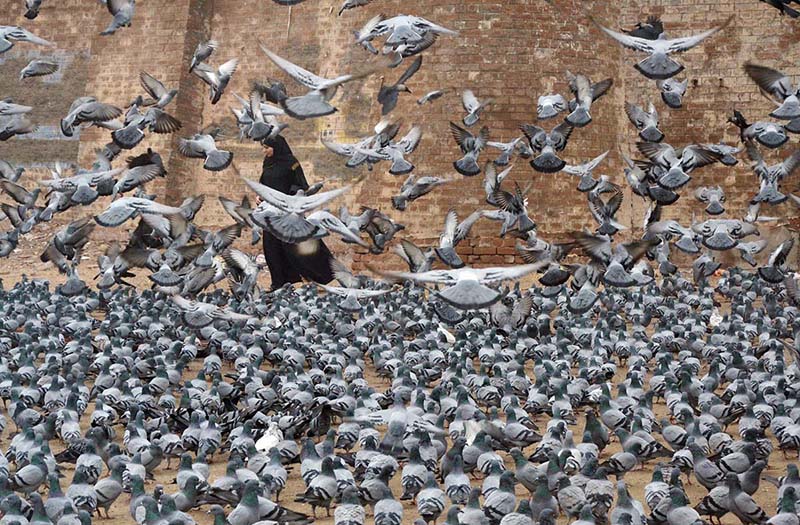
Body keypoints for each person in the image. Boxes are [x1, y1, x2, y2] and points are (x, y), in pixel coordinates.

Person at [259, 135, 335, 290]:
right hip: (270, 214)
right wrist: (259, 197)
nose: (264, 151)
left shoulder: (291, 163)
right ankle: (279, 283)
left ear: (277, 147)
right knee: (271, 248)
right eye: (264, 147)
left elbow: (299, 184)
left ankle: (324, 275)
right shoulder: (267, 163)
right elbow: (264, 183)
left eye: (267, 148)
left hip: (288, 213)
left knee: (297, 247)